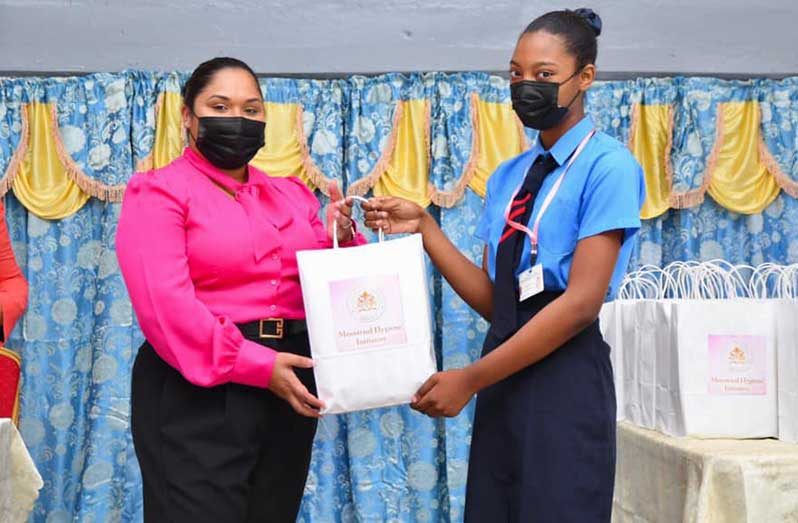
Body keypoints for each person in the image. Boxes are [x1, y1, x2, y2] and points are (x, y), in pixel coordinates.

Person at [364, 9, 645, 522]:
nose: (525, 86)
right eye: (516, 73)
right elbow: (500, 301)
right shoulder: (508, 177)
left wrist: (470, 377)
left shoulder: (609, 167)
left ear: (585, 77)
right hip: (505, 372)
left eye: (543, 74)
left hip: (565, 375)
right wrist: (427, 228)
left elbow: (581, 303)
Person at [116, 57, 364, 522]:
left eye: (252, 110)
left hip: (289, 384)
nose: (238, 120)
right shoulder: (158, 192)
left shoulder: (292, 194)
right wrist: (255, 364)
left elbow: (330, 289)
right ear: (187, 116)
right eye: (220, 105)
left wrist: (342, 235)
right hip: (197, 389)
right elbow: (166, 307)